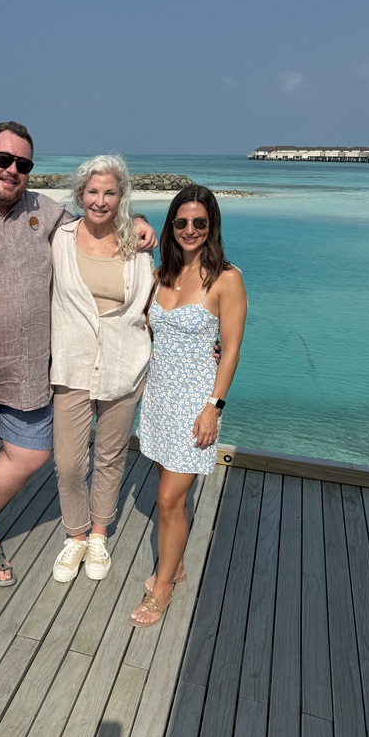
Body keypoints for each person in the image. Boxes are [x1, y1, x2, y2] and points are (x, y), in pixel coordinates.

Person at [0, 122, 157, 586]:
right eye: (3, 159)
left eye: (23, 164)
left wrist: (139, 223)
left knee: (33, 453)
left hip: (31, 370)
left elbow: (103, 234)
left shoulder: (46, 211)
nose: (13, 170)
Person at [130, 185, 247, 627]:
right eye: (181, 222)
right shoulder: (162, 274)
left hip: (196, 404)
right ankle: (175, 564)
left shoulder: (227, 278)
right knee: (171, 498)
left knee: (166, 502)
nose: (190, 230)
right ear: (171, 226)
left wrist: (214, 406)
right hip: (158, 399)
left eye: (200, 222)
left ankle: (163, 587)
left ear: (212, 225)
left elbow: (232, 349)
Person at [49, 155, 154, 582]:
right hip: (72, 363)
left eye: (110, 192)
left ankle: (97, 534)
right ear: (80, 194)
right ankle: (74, 534)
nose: (100, 200)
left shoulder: (138, 241)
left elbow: (155, 302)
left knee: (110, 457)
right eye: (93, 191)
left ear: (121, 196)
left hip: (124, 365)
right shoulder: (59, 238)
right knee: (70, 463)